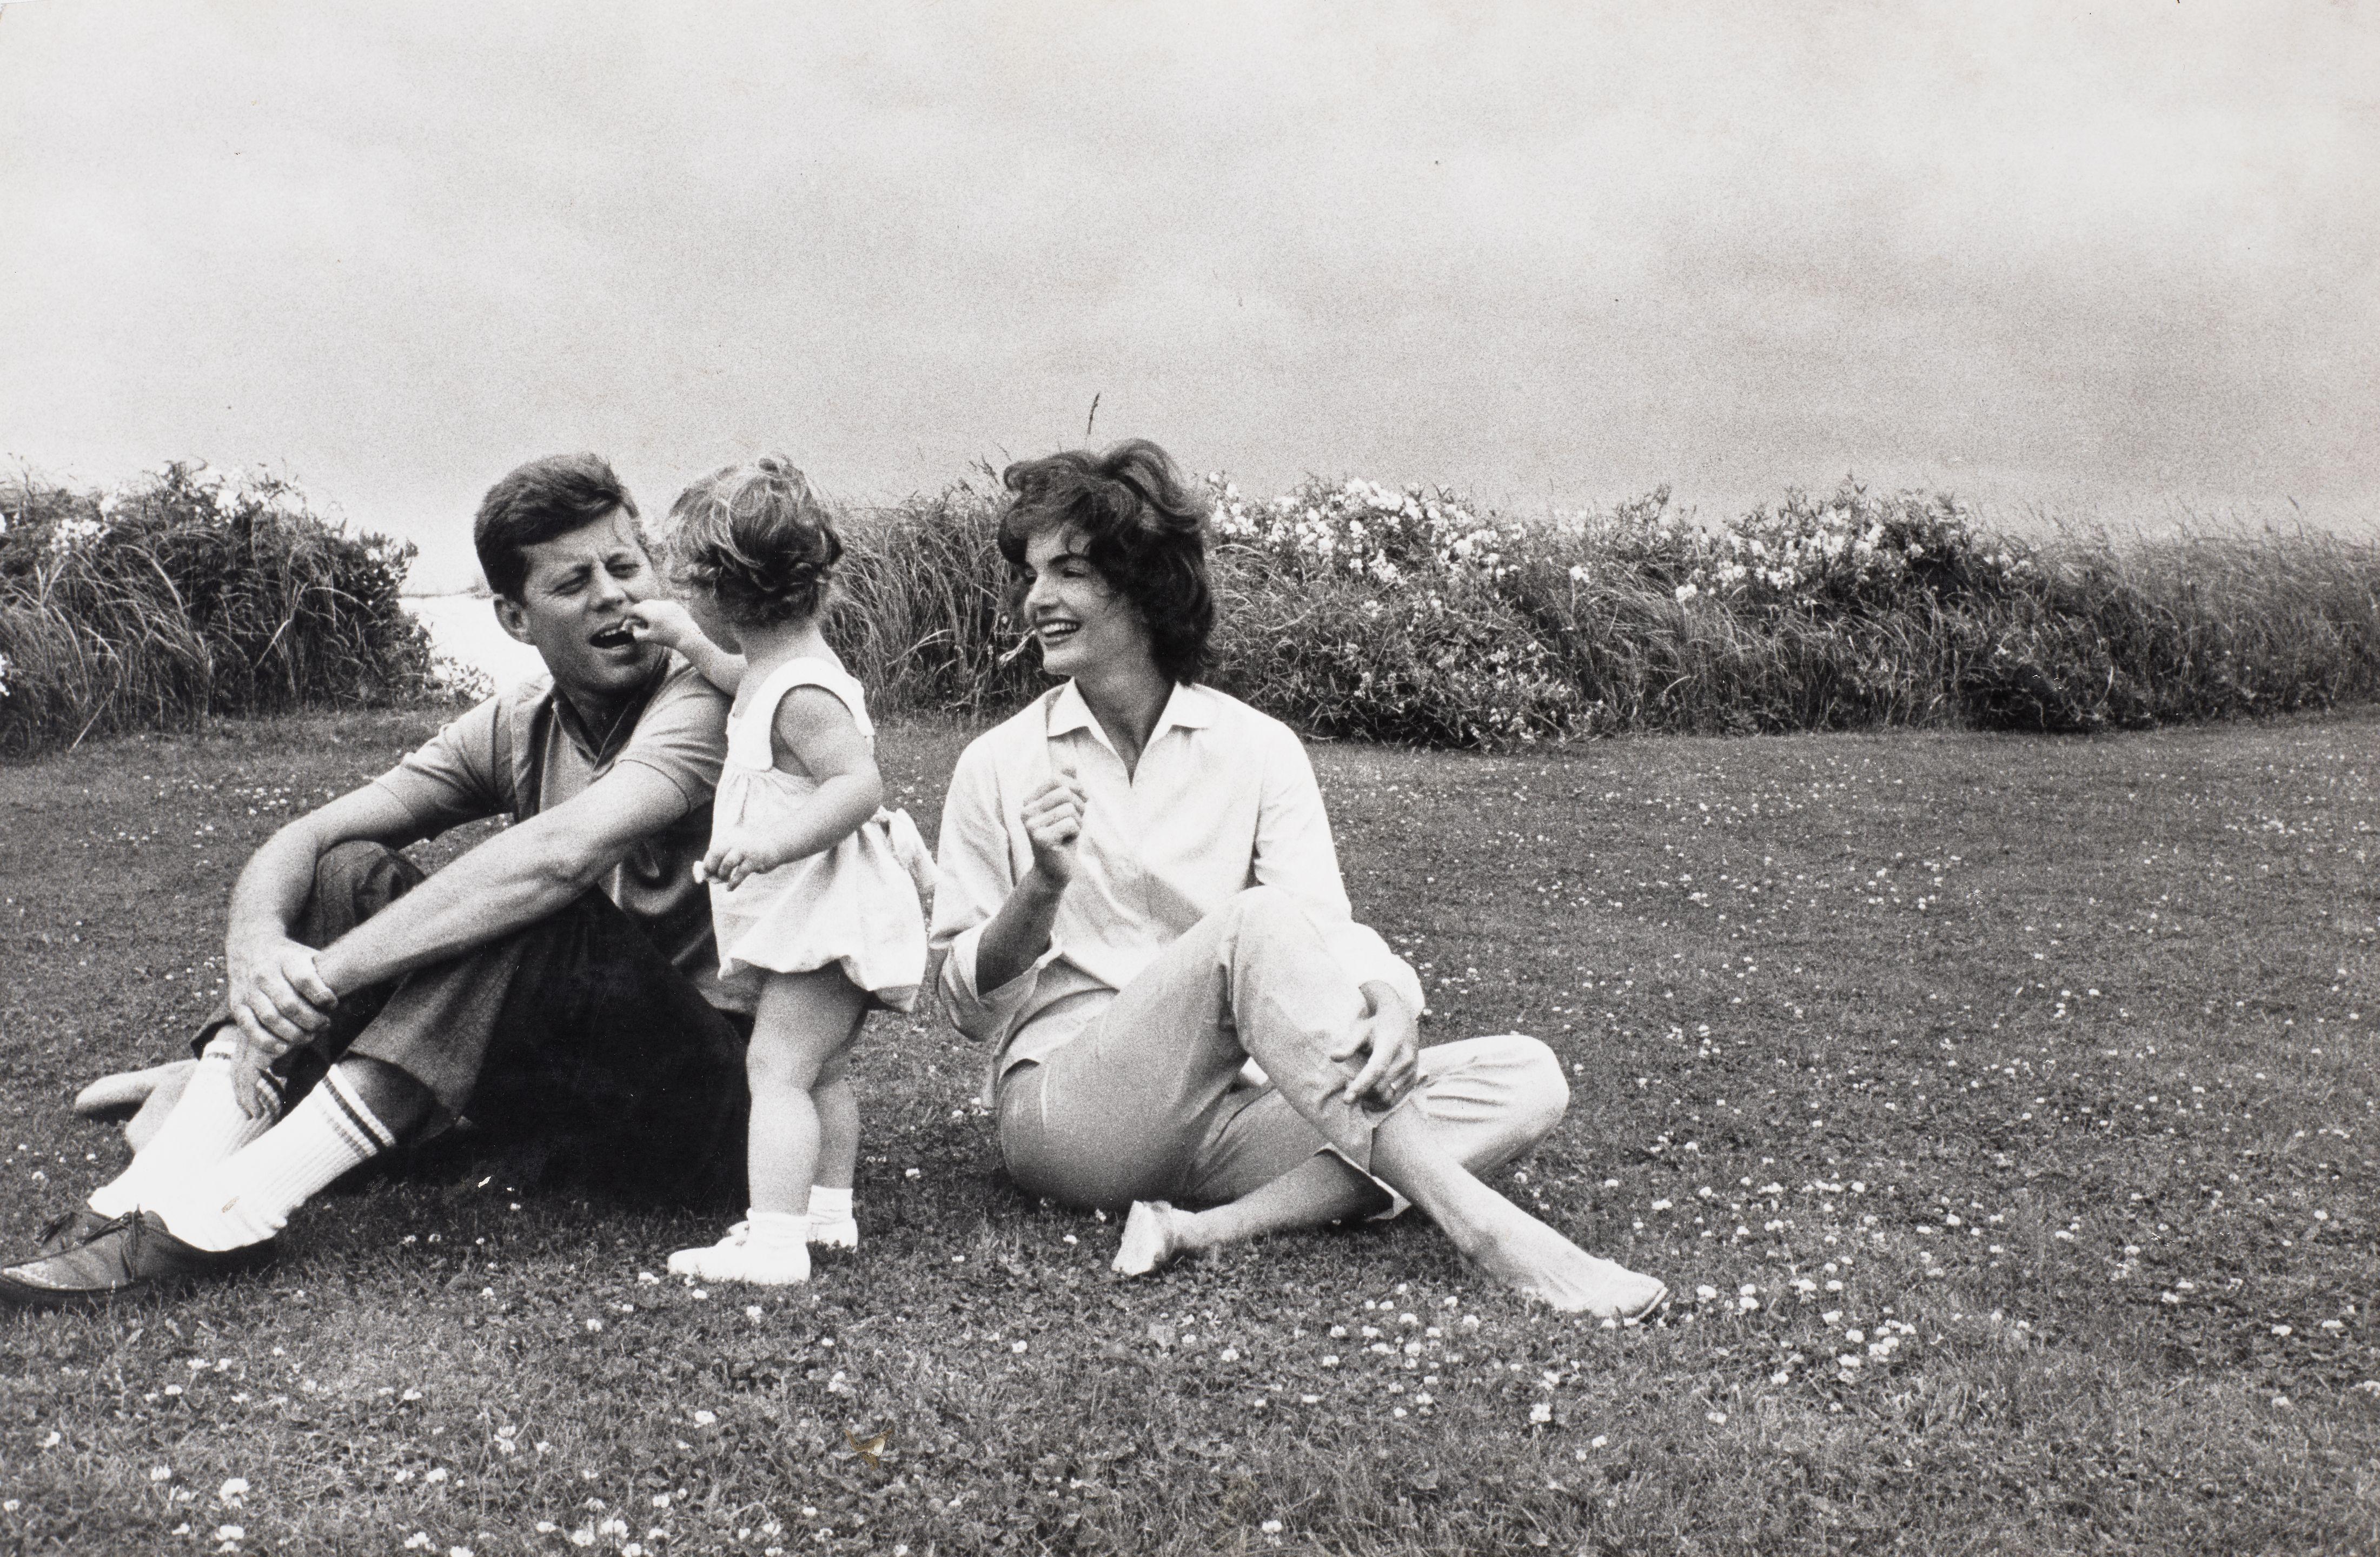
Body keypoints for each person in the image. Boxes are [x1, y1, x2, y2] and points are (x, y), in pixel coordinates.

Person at [931, 440, 1668, 1319]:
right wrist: (1041, 888)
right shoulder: (997, 764)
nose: (1037, 599)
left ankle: (1204, 1229)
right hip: (1073, 1120)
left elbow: (1320, 927)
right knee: (1253, 925)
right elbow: (966, 1010)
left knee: (1525, 1077)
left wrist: (1390, 1000)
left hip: (1230, 1114)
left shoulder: (1256, 746)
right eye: (1032, 572)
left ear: (1147, 582)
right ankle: (1486, 1232)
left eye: (1070, 571)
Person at [1, 454, 752, 1307]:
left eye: (625, 567)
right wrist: (255, 951)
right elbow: (311, 836)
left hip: (718, 1110)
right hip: (569, 1099)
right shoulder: (518, 721)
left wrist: (322, 979)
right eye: (573, 583)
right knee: (343, 870)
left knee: (527, 901)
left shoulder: (705, 702)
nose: (613, 596)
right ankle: (156, 1184)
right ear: (514, 617)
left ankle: (230, 1214)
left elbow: (558, 858)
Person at [622, 458, 933, 1286]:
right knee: (821, 1068)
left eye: (692, 592)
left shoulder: (805, 693)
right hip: (824, 914)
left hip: (828, 913)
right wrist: (686, 644)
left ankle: (774, 1243)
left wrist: (769, 845)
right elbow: (739, 680)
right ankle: (827, 1216)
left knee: (776, 1069)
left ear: (723, 590)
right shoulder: (778, 670)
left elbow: (859, 785)